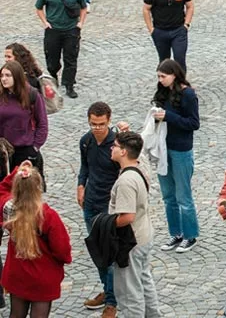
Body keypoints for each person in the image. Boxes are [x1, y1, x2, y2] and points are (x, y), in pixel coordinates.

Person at [0, 161, 72, 318]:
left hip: (17, 275)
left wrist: (16, 173)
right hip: (42, 277)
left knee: (16, 314)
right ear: (38, 188)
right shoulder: (48, 216)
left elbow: (1, 190)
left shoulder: (8, 208)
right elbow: (62, 251)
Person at [77, 102, 125, 315]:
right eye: (93, 124)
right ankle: (107, 291)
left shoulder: (115, 145)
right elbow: (84, 166)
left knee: (109, 255)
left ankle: (112, 301)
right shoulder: (86, 141)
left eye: (101, 124)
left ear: (109, 120)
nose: (97, 128)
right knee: (97, 253)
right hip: (90, 203)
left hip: (108, 206)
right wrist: (80, 185)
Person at [108, 131, 163, 317]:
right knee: (145, 281)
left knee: (129, 293)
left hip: (131, 241)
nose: (112, 148)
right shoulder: (140, 166)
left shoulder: (126, 181)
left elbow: (127, 217)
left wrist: (105, 224)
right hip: (144, 235)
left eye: (115, 145)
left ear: (123, 152)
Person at [151, 59, 201, 253]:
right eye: (159, 76)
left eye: (163, 76)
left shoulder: (188, 94)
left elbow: (193, 123)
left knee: (183, 196)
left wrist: (168, 117)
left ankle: (190, 235)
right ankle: (176, 233)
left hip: (181, 150)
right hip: (164, 149)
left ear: (174, 74)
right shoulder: (163, 93)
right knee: (168, 196)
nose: (160, 80)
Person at [35, 0, 88, 99]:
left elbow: (83, 6)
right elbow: (39, 7)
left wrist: (80, 23)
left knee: (71, 58)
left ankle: (69, 84)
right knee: (52, 58)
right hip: (53, 29)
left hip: (71, 29)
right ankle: (53, 77)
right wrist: (45, 22)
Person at [142, 0, 194, 70]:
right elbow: (146, 9)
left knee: (180, 59)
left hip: (179, 30)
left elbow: (190, 6)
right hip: (160, 31)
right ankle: (165, 83)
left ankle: (180, 84)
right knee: (164, 61)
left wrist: (186, 25)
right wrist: (151, 29)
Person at [0, 62, 48, 177]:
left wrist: (35, 147)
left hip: (24, 150)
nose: (4, 79)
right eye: (1, 76)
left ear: (16, 76)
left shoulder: (32, 95)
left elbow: (42, 123)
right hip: (3, 151)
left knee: (24, 190)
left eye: (8, 75)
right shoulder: (1, 95)